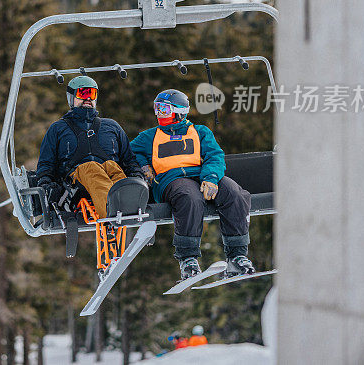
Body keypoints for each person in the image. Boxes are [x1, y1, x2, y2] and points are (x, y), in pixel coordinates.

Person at [130, 89, 255, 280]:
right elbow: (129, 153)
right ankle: (188, 258)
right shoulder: (149, 137)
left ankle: (237, 255)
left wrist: (211, 177)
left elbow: (214, 155)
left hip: (201, 175)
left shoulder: (199, 132)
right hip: (171, 181)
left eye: (164, 109)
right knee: (190, 198)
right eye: (157, 109)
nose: (159, 114)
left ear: (179, 111)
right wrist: (143, 165)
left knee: (235, 194)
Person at [36, 76, 144, 219]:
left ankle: (131, 209)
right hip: (75, 186)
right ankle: (112, 215)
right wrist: (46, 184)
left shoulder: (111, 126)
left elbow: (128, 159)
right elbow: (46, 163)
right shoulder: (58, 129)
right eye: (83, 93)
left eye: (91, 94)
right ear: (71, 98)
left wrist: (136, 175)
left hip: (107, 173)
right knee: (91, 168)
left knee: (112, 166)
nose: (88, 98)